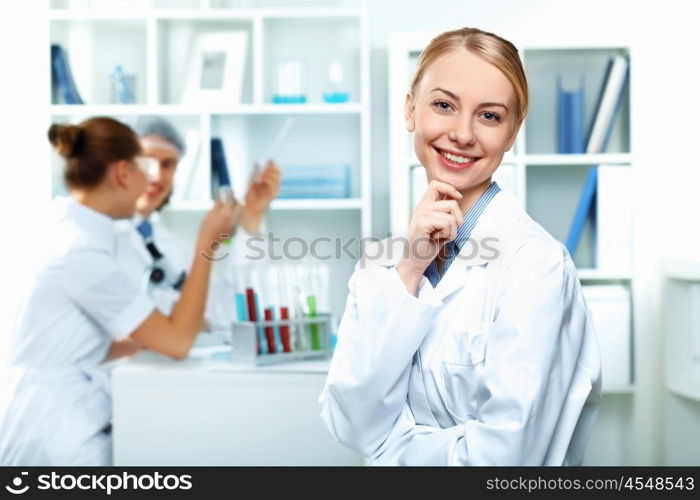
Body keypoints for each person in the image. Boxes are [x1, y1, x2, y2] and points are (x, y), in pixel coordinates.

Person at [319, 27, 602, 466]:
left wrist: (391, 449)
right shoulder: (384, 263)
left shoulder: (537, 266)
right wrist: (410, 269)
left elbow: (505, 459)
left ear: (512, 132)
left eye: (489, 116)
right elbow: (350, 425)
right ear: (411, 107)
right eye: (444, 105)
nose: (463, 134)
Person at [0, 117, 237, 465]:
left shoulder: (68, 235)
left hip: (54, 422)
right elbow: (177, 343)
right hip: (55, 436)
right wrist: (207, 242)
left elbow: (74, 342)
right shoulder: (79, 252)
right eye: (145, 167)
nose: (151, 179)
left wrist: (152, 332)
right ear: (124, 173)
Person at [114, 116, 281, 325]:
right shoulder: (103, 235)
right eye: (147, 161)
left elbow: (223, 312)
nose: (157, 176)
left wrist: (252, 217)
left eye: (167, 165)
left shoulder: (171, 246)